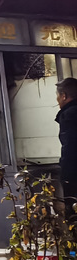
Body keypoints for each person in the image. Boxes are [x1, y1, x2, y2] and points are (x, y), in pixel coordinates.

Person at [58, 78, 77, 209]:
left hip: (74, 174)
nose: (57, 100)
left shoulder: (69, 115)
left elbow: (70, 147)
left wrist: (66, 175)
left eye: (58, 96)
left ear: (64, 96)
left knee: (73, 211)